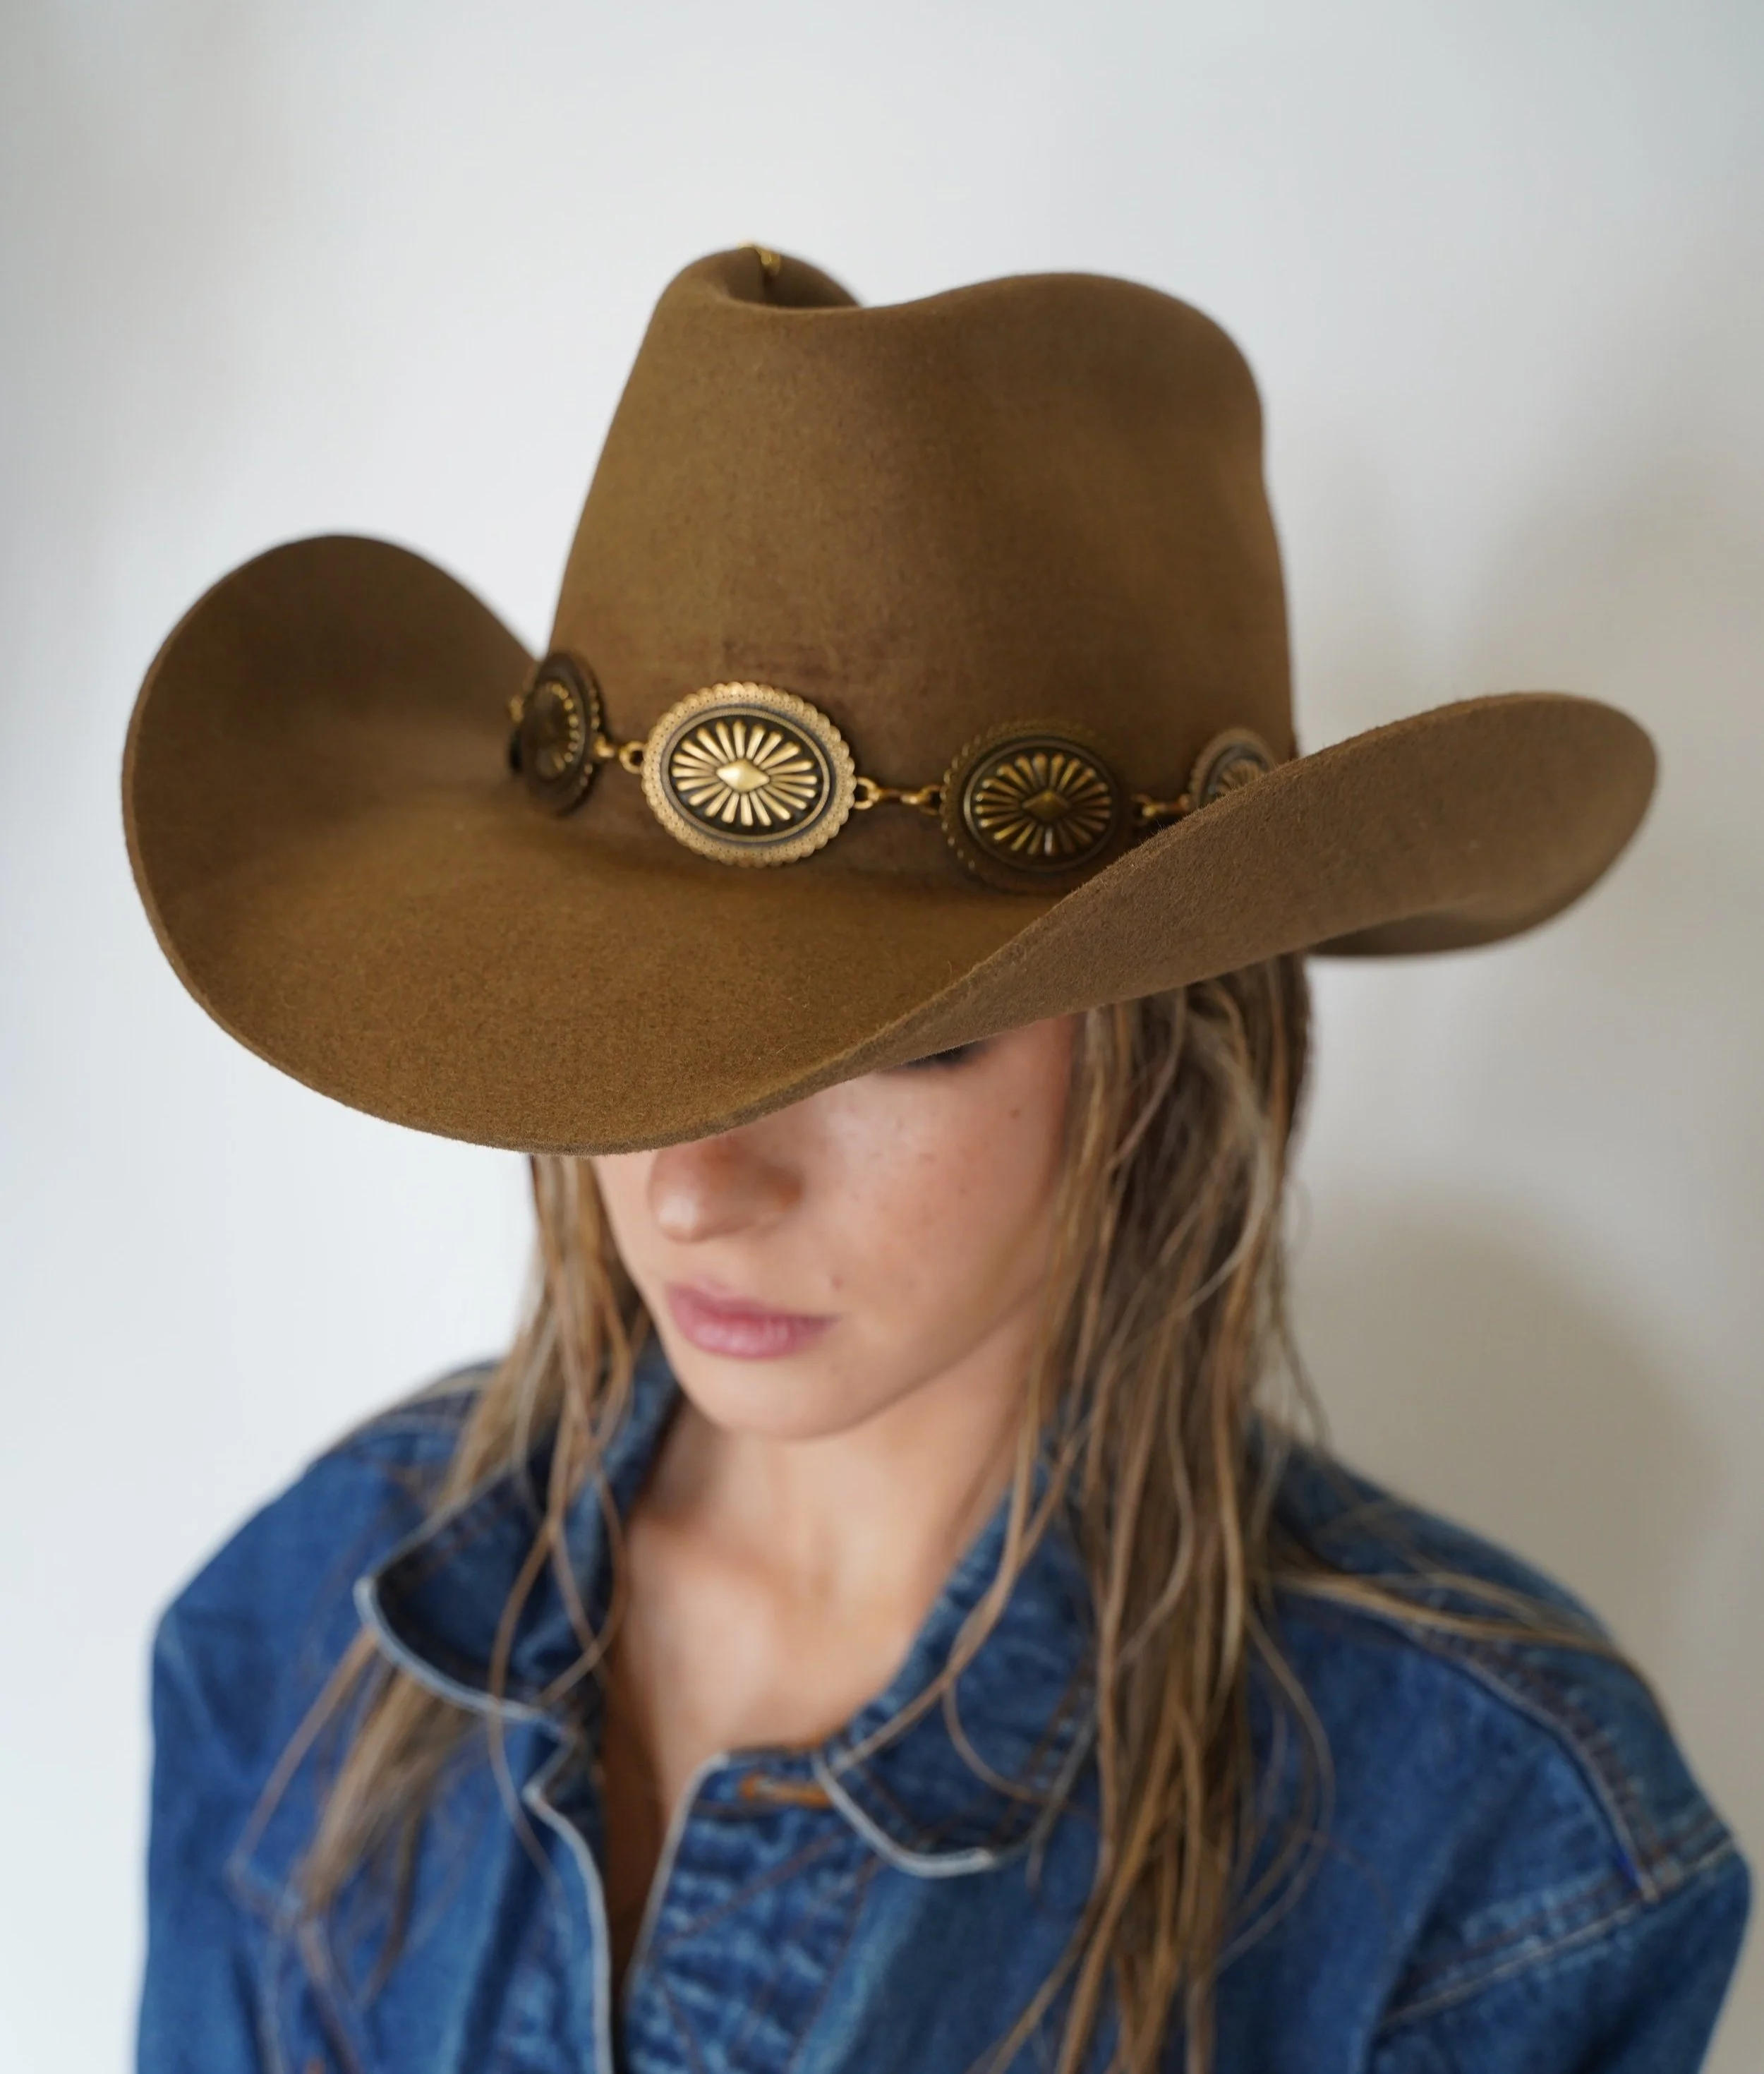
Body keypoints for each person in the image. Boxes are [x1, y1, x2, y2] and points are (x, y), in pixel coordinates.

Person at [125, 248, 1748, 2074]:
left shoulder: (1491, 1855)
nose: (687, 1187)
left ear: (1159, 1057)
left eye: (895, 1044)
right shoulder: (303, 1636)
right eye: (627, 1026)